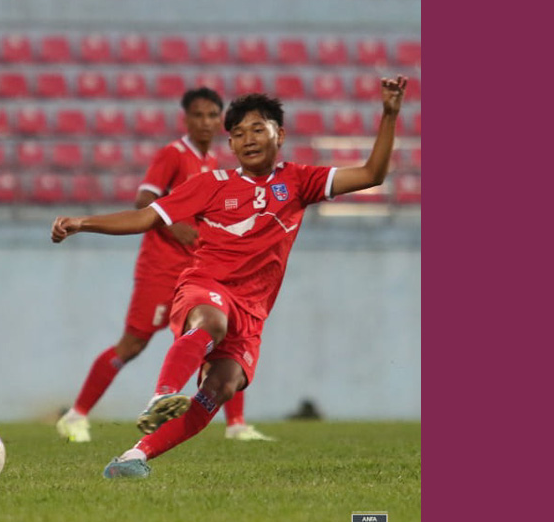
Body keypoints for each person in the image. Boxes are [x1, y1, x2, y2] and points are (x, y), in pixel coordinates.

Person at [50, 76, 408, 479]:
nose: (248, 139)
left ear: (281, 135)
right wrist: (83, 222)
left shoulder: (299, 181)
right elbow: (146, 215)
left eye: (258, 129)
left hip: (252, 312)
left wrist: (389, 115)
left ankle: (134, 457)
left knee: (220, 387)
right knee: (210, 321)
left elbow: (371, 174)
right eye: (238, 134)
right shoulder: (211, 184)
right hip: (205, 286)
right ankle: (163, 394)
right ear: (231, 146)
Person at [55, 88, 273, 443]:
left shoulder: (213, 164)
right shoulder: (172, 155)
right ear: (185, 119)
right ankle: (76, 415)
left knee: (227, 335)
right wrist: (176, 228)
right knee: (132, 345)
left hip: (198, 272)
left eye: (211, 116)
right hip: (161, 269)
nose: (205, 122)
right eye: (198, 115)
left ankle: (236, 425)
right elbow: (145, 199)